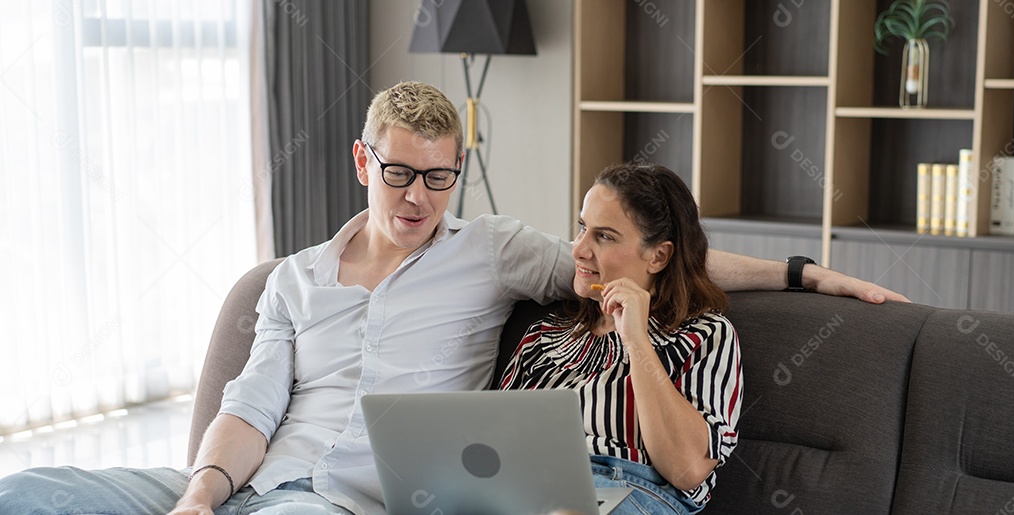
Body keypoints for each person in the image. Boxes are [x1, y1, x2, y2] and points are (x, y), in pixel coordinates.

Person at [0, 81, 906, 515]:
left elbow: (661, 264)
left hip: (340, 502)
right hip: (247, 480)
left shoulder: (497, 252)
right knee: (32, 492)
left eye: (438, 179)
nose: (417, 200)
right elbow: (249, 405)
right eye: (398, 174)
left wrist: (803, 272)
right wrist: (199, 494)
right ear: (365, 162)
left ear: (456, 173)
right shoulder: (295, 280)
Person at [500, 162, 740, 514]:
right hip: (530, 488)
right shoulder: (546, 335)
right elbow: (494, 440)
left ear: (658, 256)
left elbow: (687, 469)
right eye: (582, 227)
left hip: (632, 490)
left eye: (604, 236)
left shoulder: (703, 335)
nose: (579, 249)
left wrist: (636, 340)